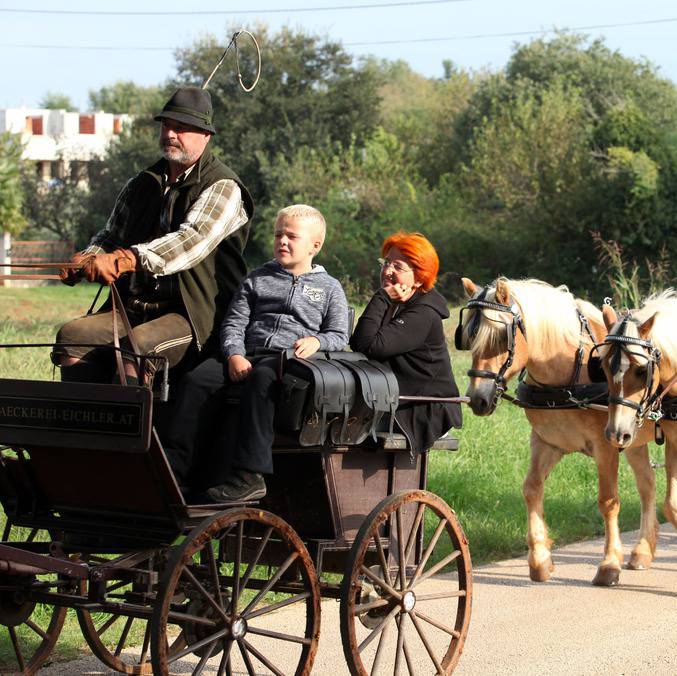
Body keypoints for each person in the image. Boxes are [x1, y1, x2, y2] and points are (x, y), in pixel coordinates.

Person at [53, 86, 253, 384]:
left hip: (193, 315)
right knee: (72, 336)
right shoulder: (142, 183)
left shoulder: (223, 187)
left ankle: (134, 427)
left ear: (206, 136)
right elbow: (111, 236)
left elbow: (191, 241)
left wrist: (125, 259)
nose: (171, 134)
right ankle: (87, 424)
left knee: (139, 347)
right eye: (167, 125)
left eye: (182, 128)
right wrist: (88, 259)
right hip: (134, 307)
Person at [163, 205, 349, 502]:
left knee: (263, 380)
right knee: (197, 380)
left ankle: (250, 475)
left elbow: (339, 335)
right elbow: (234, 323)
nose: (282, 242)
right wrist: (234, 355)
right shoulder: (257, 278)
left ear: (315, 245)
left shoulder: (329, 288)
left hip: (288, 360)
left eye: (291, 236)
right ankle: (175, 471)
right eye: (278, 235)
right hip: (247, 353)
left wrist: (317, 341)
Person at [349, 232, 462, 454]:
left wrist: (381, 297)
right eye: (386, 263)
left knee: (346, 429)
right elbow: (360, 343)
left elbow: (369, 345)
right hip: (395, 398)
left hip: (423, 408)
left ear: (419, 278)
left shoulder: (423, 313)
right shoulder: (399, 302)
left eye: (398, 267)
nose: (388, 270)